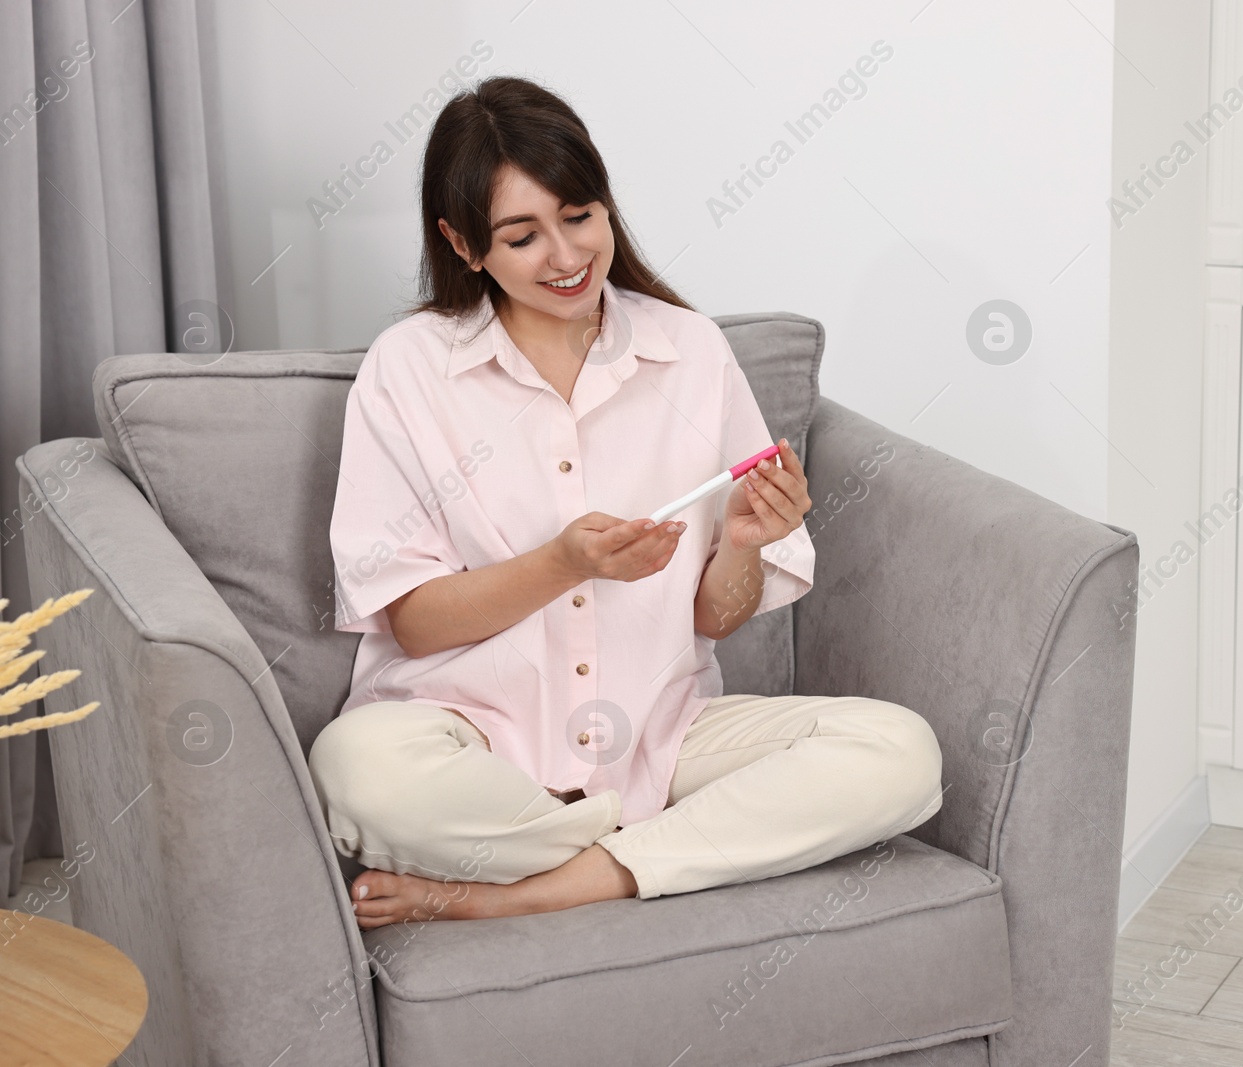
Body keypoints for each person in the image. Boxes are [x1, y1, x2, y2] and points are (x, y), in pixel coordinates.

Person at [307, 76, 944, 929]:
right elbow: (414, 624)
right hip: (470, 739)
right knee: (359, 768)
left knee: (899, 753)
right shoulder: (409, 368)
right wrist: (559, 562)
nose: (567, 256)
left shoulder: (690, 351)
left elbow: (720, 618)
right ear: (463, 244)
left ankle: (529, 890)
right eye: (522, 235)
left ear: (607, 207)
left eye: (580, 216)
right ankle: (667, 849)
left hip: (659, 737)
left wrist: (746, 544)